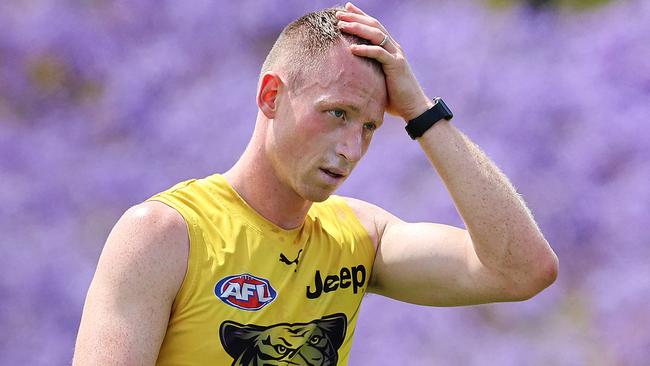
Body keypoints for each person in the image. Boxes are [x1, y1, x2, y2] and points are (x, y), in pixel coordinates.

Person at [73, 3, 558, 365]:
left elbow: (522, 271)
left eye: (368, 127)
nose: (351, 148)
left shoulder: (360, 237)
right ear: (271, 97)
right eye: (336, 114)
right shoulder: (162, 233)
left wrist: (420, 111)